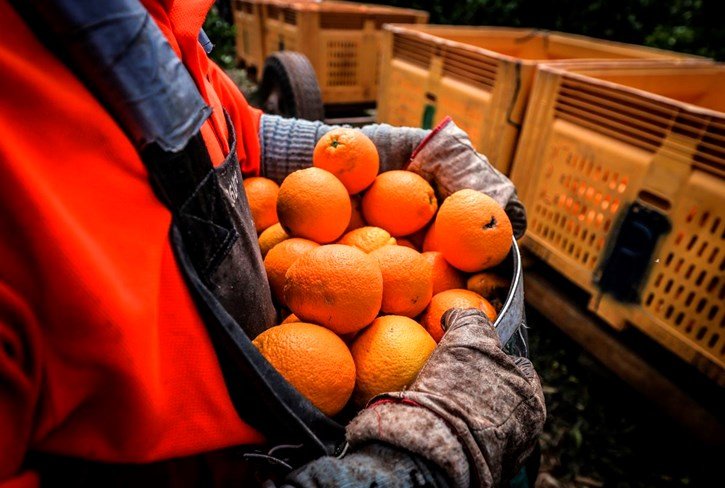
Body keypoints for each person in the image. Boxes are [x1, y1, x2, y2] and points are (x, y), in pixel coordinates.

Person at [0, 0, 545, 486]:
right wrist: (395, 470)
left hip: (302, 364)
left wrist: (386, 152)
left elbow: (234, 132)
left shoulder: (144, 20)